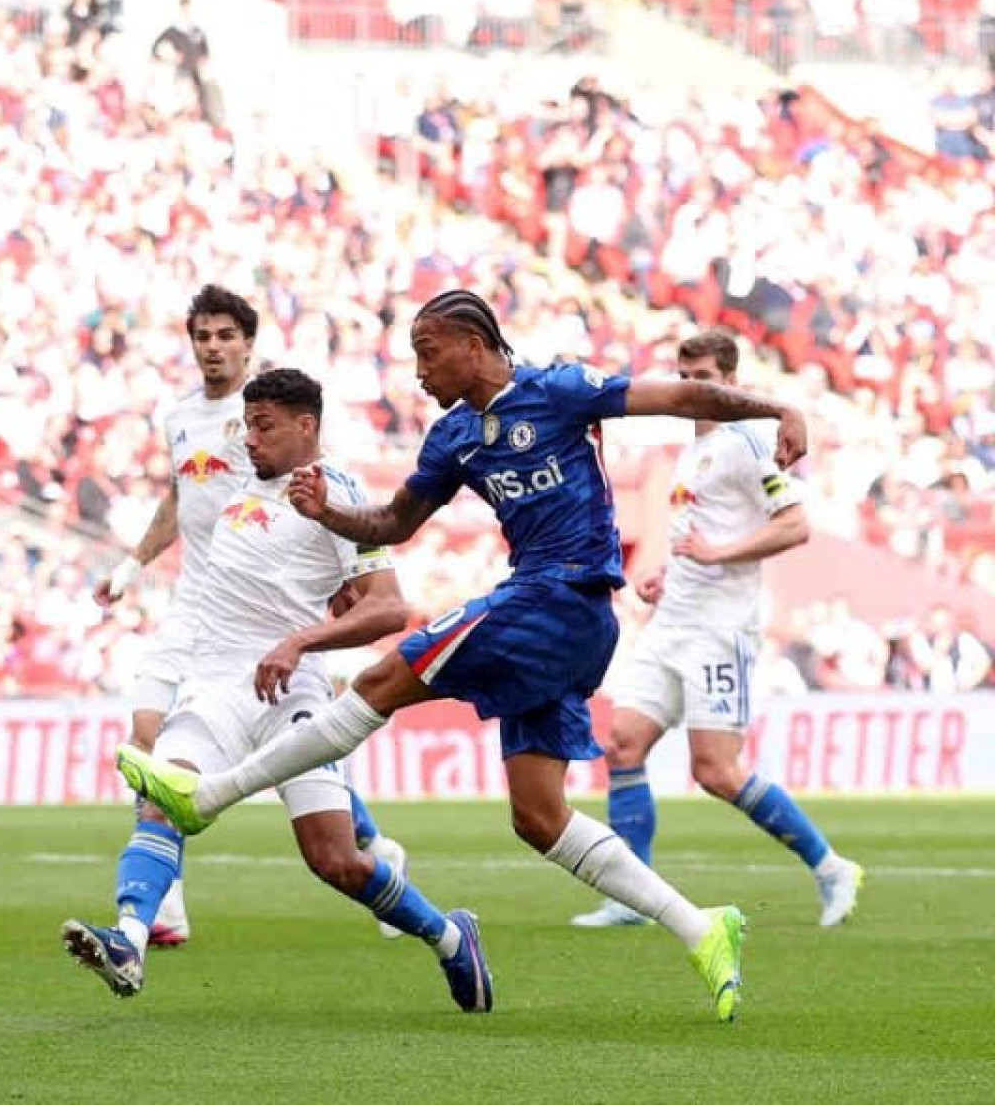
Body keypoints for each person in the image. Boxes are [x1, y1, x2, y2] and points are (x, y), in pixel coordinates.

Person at [119, 290, 814, 1022]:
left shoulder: (560, 390)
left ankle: (209, 796)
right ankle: (701, 927)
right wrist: (330, 514)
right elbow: (394, 523)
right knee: (539, 818)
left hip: (559, 597)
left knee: (383, 677)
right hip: (552, 624)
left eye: (428, 354)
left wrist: (776, 407)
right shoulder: (453, 437)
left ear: (473, 346)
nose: (419, 373)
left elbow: (678, 396)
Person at [63, 369, 493, 1013]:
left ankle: (450, 936)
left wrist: (301, 641)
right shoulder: (244, 478)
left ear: (306, 426)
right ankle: (129, 941)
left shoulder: (336, 494)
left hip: (292, 695)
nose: (251, 439)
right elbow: (194, 497)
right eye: (247, 425)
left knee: (335, 860)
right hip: (214, 686)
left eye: (263, 427)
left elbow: (387, 608)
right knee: (162, 799)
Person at [93, 286, 408, 949]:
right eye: (202, 336)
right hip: (195, 604)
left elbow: (321, 501)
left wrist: (337, 583)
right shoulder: (180, 417)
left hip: (261, 615)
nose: (213, 348)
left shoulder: (270, 417)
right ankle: (161, 906)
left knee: (284, 754)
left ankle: (372, 846)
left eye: (225, 336)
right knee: (149, 741)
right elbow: (178, 499)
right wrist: (132, 565)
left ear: (247, 344)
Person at [572, 329, 864, 930]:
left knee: (717, 771)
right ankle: (632, 898)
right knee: (623, 743)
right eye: (685, 378)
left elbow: (794, 525)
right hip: (673, 619)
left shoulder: (748, 440)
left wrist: (716, 554)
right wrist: (671, 574)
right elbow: (704, 535)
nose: (693, 388)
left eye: (704, 378)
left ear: (731, 382)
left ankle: (830, 865)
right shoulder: (692, 451)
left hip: (720, 628)